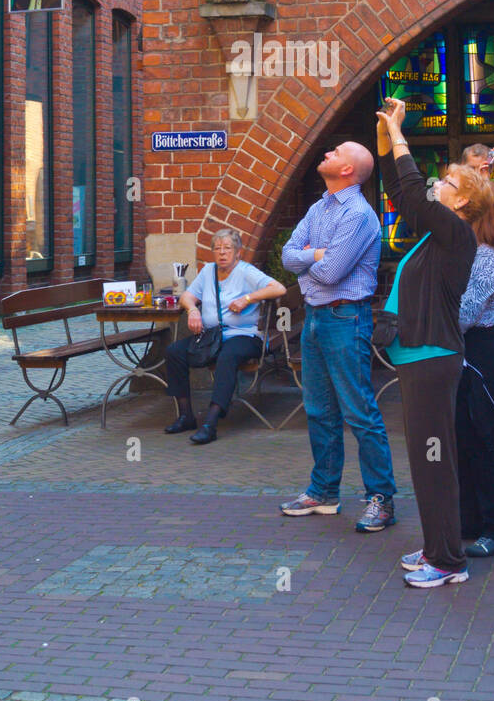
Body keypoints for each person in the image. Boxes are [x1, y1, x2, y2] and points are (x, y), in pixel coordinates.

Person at [375, 100, 483, 587]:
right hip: (419, 358)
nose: (440, 184)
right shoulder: (433, 237)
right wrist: (385, 132)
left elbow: (415, 195)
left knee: (434, 461)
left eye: (450, 184)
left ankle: (447, 562)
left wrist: (400, 133)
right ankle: (439, 546)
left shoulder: (456, 232)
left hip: (433, 358)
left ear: (462, 203)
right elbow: (401, 189)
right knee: (425, 461)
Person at [279, 141, 397, 532]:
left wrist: (313, 258)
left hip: (346, 317)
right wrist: (316, 254)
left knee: (359, 410)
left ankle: (381, 499)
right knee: (318, 409)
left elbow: (332, 274)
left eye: (336, 152)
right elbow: (287, 254)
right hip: (316, 317)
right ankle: (324, 491)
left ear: (348, 170)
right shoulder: (319, 207)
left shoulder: (359, 214)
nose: (327, 153)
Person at [165, 228, 285, 444]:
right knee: (174, 352)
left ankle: (210, 423)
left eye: (227, 248)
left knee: (227, 357)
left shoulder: (246, 271)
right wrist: (192, 310)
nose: (222, 253)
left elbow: (278, 288)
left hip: (245, 336)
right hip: (212, 337)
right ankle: (185, 415)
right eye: (218, 248)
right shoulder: (208, 271)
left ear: (238, 252)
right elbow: (187, 296)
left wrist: (247, 298)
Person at [455, 181, 494, 557]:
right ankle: (471, 518)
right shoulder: (467, 250)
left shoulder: (487, 257)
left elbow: (464, 313)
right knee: (462, 439)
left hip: (481, 355)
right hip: (464, 354)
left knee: (483, 441)